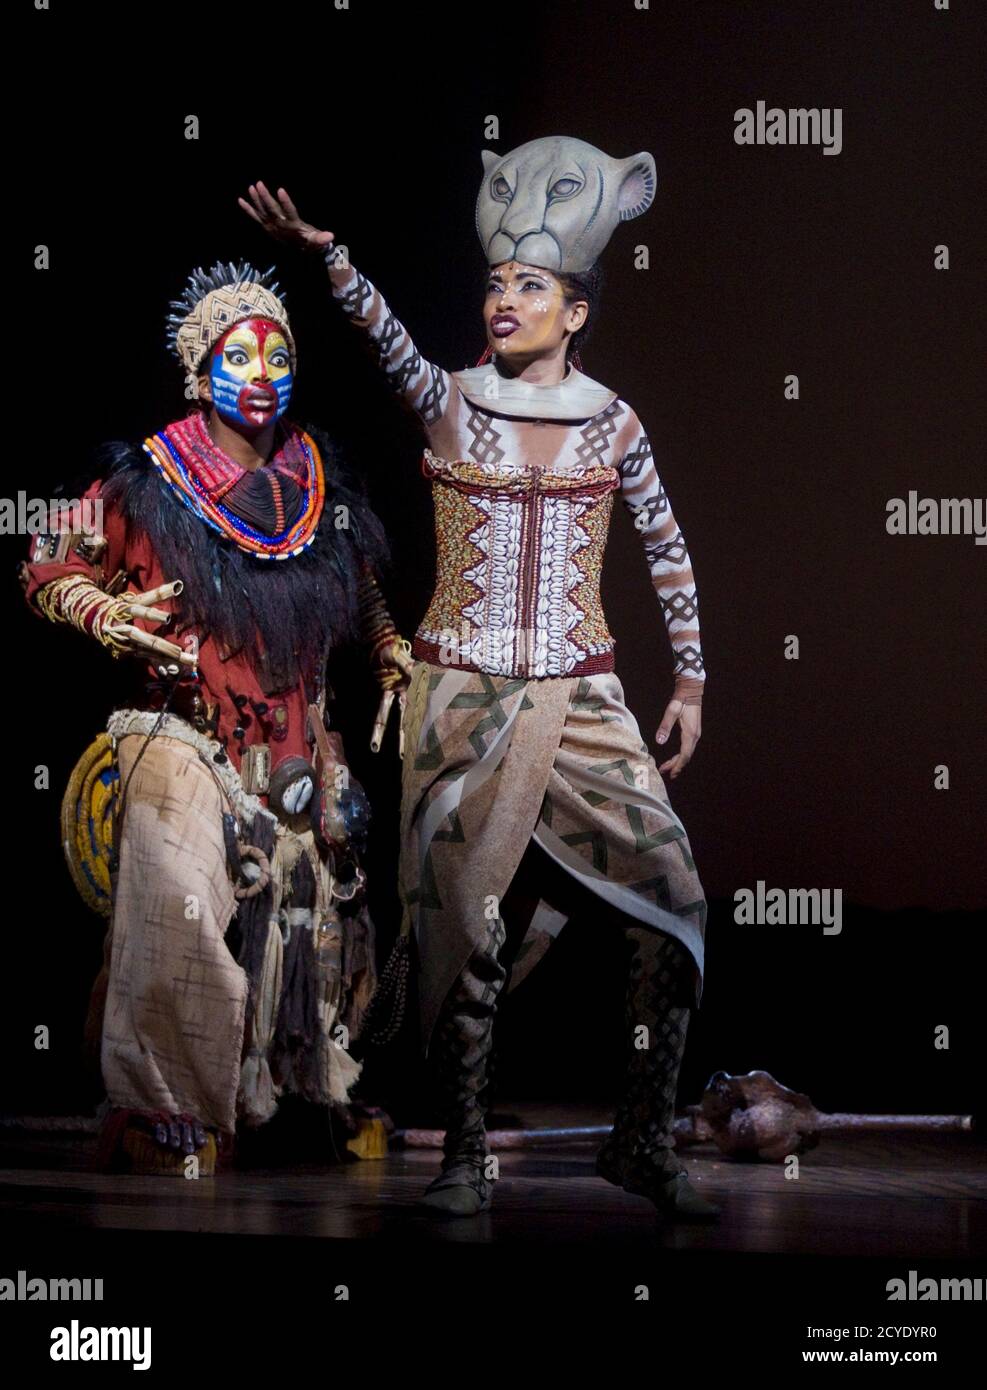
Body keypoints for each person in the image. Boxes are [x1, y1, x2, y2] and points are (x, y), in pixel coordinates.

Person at [240, 134, 717, 1219]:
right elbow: (383, 340)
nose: (506, 298)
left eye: (531, 285)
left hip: (584, 697)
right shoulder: (452, 400)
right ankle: (464, 1151)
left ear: (576, 308)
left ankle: (641, 1138)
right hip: (460, 700)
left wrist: (688, 682)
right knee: (467, 930)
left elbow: (668, 546)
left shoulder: (616, 421)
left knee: (677, 902)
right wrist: (332, 259)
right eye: (498, 281)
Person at [20, 261, 410, 1173]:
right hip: (185, 728)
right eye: (240, 353)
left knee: (324, 899)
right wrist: (106, 612)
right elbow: (44, 559)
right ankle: (164, 1105)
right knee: (174, 883)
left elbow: (361, 591)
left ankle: (306, 1091)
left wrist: (389, 645)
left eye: (279, 352)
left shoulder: (314, 479)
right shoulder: (147, 477)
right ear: (201, 373)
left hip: (296, 740)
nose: (264, 370)